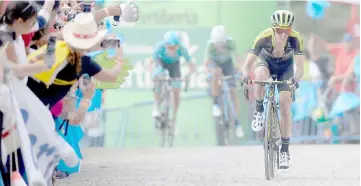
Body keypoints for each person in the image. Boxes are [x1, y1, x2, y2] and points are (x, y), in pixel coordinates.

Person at [241, 10, 304, 169]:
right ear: (273, 28)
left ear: (291, 29)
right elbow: (247, 65)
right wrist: (246, 77)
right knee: (260, 75)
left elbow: (301, 67)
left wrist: (295, 79)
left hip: (286, 69)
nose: (283, 34)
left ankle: (284, 149)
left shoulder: (296, 39)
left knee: (284, 105)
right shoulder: (263, 38)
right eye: (279, 30)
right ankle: (259, 110)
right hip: (266, 64)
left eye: (287, 30)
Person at [203, 25, 243, 137]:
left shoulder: (230, 43)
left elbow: (238, 59)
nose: (219, 47)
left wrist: (241, 72)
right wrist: (207, 74)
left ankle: (237, 122)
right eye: (217, 44)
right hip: (215, 64)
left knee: (233, 91)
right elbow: (206, 64)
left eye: (222, 44)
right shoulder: (210, 46)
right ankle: (216, 103)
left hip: (227, 64)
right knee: (215, 73)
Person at [151, 31, 195, 125]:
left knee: (176, 90)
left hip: (174, 65)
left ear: (177, 45)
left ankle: (174, 118)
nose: (171, 49)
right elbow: (150, 62)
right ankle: (156, 105)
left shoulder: (182, 48)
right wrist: (152, 74)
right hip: (161, 63)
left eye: (173, 47)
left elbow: (191, 64)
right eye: (169, 47)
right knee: (159, 76)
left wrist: (189, 74)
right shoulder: (160, 46)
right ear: (165, 44)